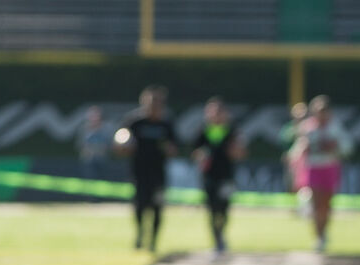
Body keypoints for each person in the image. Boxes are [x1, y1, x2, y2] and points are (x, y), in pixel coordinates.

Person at [115, 84, 179, 252]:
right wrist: (123, 145)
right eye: (151, 102)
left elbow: (175, 147)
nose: (154, 106)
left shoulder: (166, 124)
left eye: (158, 102)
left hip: (158, 173)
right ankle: (140, 233)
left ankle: (153, 241)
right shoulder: (134, 122)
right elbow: (120, 140)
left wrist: (170, 149)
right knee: (140, 205)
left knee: (157, 207)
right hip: (139, 172)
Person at [288, 94, 354, 252]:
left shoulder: (335, 127)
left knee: (326, 205)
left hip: (330, 168)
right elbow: (297, 149)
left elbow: (347, 147)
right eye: (319, 111)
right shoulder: (307, 128)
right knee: (316, 205)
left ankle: (324, 232)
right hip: (313, 168)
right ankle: (318, 236)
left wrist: (334, 148)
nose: (322, 114)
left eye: (324, 111)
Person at [190, 97, 245, 254]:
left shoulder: (232, 130)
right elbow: (194, 152)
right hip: (209, 176)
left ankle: (221, 234)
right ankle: (217, 240)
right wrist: (200, 156)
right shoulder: (203, 130)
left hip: (226, 176)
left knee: (224, 208)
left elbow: (241, 152)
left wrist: (236, 151)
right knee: (212, 208)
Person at [76, 105, 115, 184]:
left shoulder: (107, 128)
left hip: (103, 160)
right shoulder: (83, 129)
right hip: (89, 161)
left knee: (104, 181)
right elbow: (80, 145)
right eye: (92, 116)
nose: (94, 118)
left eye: (96, 115)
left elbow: (110, 144)